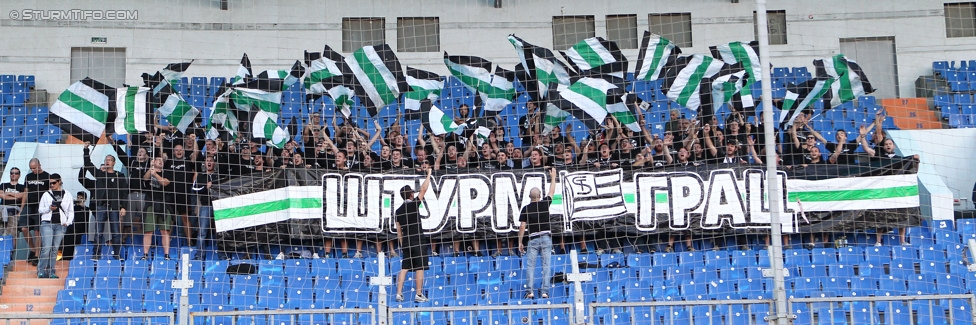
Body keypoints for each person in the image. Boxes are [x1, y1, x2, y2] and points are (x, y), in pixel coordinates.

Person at [80, 146, 128, 260]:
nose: (107, 161)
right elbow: (88, 163)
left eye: (110, 160)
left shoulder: (119, 176)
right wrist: (86, 150)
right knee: (98, 232)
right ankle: (96, 254)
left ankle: (116, 254)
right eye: (106, 160)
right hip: (101, 206)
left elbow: (124, 193)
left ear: (114, 162)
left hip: (114, 207)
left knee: (116, 233)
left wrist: (123, 207)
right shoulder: (100, 174)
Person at [394, 168, 433, 303]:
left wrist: (402, 244)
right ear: (411, 194)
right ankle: (419, 294)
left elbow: (399, 231)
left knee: (404, 268)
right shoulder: (414, 205)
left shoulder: (398, 211)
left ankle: (399, 293)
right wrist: (428, 174)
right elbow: (424, 189)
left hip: (406, 242)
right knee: (420, 267)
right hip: (417, 240)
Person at [518, 167, 557, 299]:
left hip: (533, 239)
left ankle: (530, 291)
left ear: (529, 197)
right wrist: (553, 177)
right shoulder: (545, 203)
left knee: (530, 266)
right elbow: (552, 191)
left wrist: (520, 242)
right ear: (540, 196)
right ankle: (545, 291)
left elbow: (522, 226)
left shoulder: (526, 208)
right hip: (546, 238)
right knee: (546, 265)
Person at [37, 173, 73, 278]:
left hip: (61, 224)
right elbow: (40, 210)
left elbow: (70, 211)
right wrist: (49, 208)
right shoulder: (46, 194)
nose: (52, 185)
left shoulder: (67, 194)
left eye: (54, 183)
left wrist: (68, 222)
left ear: (59, 182)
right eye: (50, 183)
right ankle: (41, 269)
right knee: (47, 247)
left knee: (55, 249)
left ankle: (51, 270)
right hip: (47, 223)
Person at [144, 156, 173, 260]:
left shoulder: (167, 172)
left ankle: (166, 255)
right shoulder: (149, 171)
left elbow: (165, 183)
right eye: (158, 160)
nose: (160, 162)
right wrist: (151, 168)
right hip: (150, 204)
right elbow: (145, 178)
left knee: (164, 230)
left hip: (164, 204)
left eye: (162, 161)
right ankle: (145, 254)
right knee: (148, 230)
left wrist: (155, 174)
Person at [21, 158, 50, 266]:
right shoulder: (28, 177)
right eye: (31, 168)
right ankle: (33, 249)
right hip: (29, 205)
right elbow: (25, 193)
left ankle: (37, 255)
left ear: (39, 165)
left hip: (41, 207)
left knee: (38, 231)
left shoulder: (47, 176)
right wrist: (21, 208)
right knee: (24, 228)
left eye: (34, 168)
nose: (33, 170)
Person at [1, 168, 25, 238]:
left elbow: (23, 195)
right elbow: (2, 196)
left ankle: (12, 248)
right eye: (12, 173)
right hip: (3, 208)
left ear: (19, 175)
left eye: (16, 173)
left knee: (12, 234)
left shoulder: (22, 187)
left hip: (14, 211)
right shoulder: (3, 185)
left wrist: (8, 193)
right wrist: (16, 197)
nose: (13, 175)